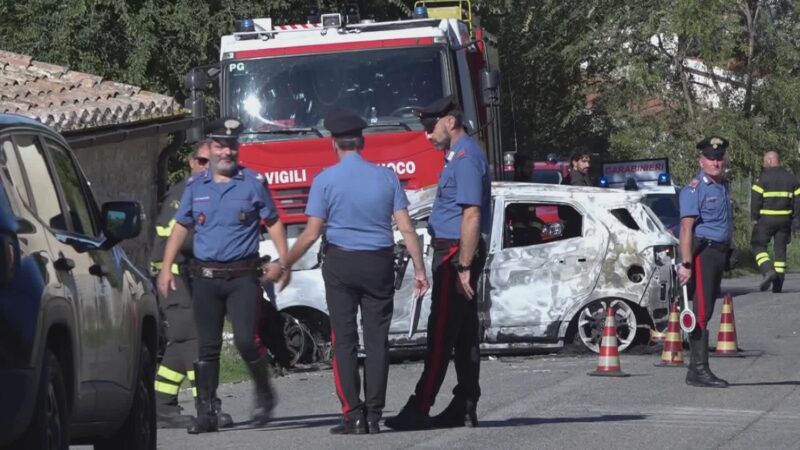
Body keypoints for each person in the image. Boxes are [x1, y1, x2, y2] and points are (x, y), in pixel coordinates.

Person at [280, 109, 428, 435]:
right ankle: (375, 415)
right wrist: (419, 269)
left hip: (342, 265)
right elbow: (406, 228)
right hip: (378, 263)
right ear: (362, 142)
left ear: (334, 144)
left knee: (344, 340)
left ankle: (353, 415)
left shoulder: (324, 180)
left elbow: (311, 233)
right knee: (377, 342)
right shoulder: (386, 177)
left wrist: (285, 263)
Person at [157, 117, 289, 433]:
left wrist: (283, 261)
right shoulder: (195, 187)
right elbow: (180, 227)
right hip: (204, 278)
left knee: (245, 340)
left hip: (242, 277)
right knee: (207, 346)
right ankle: (206, 413)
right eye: (220, 146)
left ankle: (264, 393)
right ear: (211, 149)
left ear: (236, 148)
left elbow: (273, 221)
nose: (226, 152)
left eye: (231, 146)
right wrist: (165, 268)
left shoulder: (253, 183)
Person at [385, 96, 491, 430]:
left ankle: (421, 406)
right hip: (453, 251)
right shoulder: (457, 156)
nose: (427, 134)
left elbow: (471, 214)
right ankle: (465, 403)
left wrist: (463, 265)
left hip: (454, 253)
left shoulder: (465, 158)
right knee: (462, 336)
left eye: (430, 127)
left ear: (450, 121)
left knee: (441, 333)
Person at [150, 140, 233, 429]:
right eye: (201, 161)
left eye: (211, 162)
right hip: (172, 274)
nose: (206, 167)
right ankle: (207, 405)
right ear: (191, 162)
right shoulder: (182, 193)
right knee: (195, 338)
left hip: (190, 275)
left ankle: (161, 405)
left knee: (182, 340)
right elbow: (179, 237)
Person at [677, 136, 733, 388]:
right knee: (701, 312)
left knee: (707, 310)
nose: (716, 162)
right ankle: (699, 370)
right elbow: (686, 229)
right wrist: (686, 264)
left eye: (719, 158)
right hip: (704, 254)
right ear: (701, 160)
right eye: (711, 158)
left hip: (719, 252)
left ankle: (695, 370)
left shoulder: (722, 185)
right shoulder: (694, 188)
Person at [750, 150, 800, 293]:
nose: (763, 164)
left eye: (764, 161)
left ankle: (767, 270)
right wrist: (795, 221)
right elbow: (798, 203)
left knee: (757, 245)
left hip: (766, 219)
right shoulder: (792, 179)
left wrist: (755, 217)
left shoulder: (762, 178)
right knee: (780, 252)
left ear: (770, 161)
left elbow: (755, 201)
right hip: (785, 220)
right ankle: (778, 285)